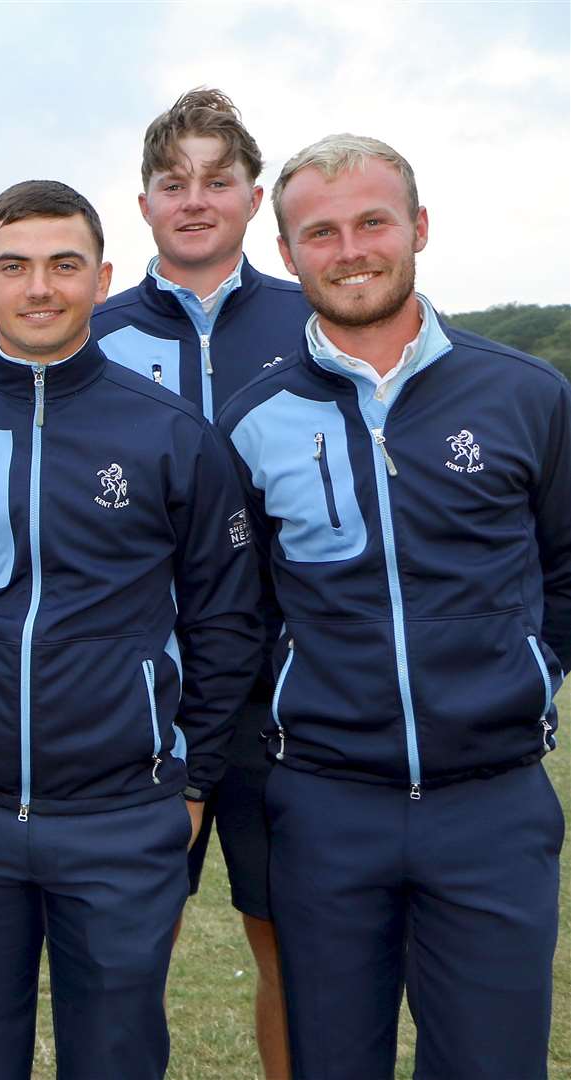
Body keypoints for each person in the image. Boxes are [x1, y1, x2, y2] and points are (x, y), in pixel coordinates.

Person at [0, 181, 262, 1079]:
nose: (39, 287)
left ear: (103, 277)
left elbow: (224, 620)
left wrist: (193, 779)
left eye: (63, 265)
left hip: (123, 816)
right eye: (13, 267)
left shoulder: (173, 434)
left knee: (118, 1058)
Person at [219, 134, 569, 1080]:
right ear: (287, 256)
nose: (349, 249)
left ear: (417, 227)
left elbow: (566, 567)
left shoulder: (528, 394)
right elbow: (237, 607)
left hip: (491, 804)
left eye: (372, 221)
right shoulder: (249, 422)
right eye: (318, 232)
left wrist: (525, 673)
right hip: (328, 806)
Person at [90, 87, 310, 1078]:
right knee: (130, 956)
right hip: (142, 699)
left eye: (216, 180)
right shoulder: (90, 333)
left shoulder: (314, 321)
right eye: (171, 182)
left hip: (284, 700)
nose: (194, 200)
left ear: (251, 197)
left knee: (293, 951)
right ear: (142, 203)